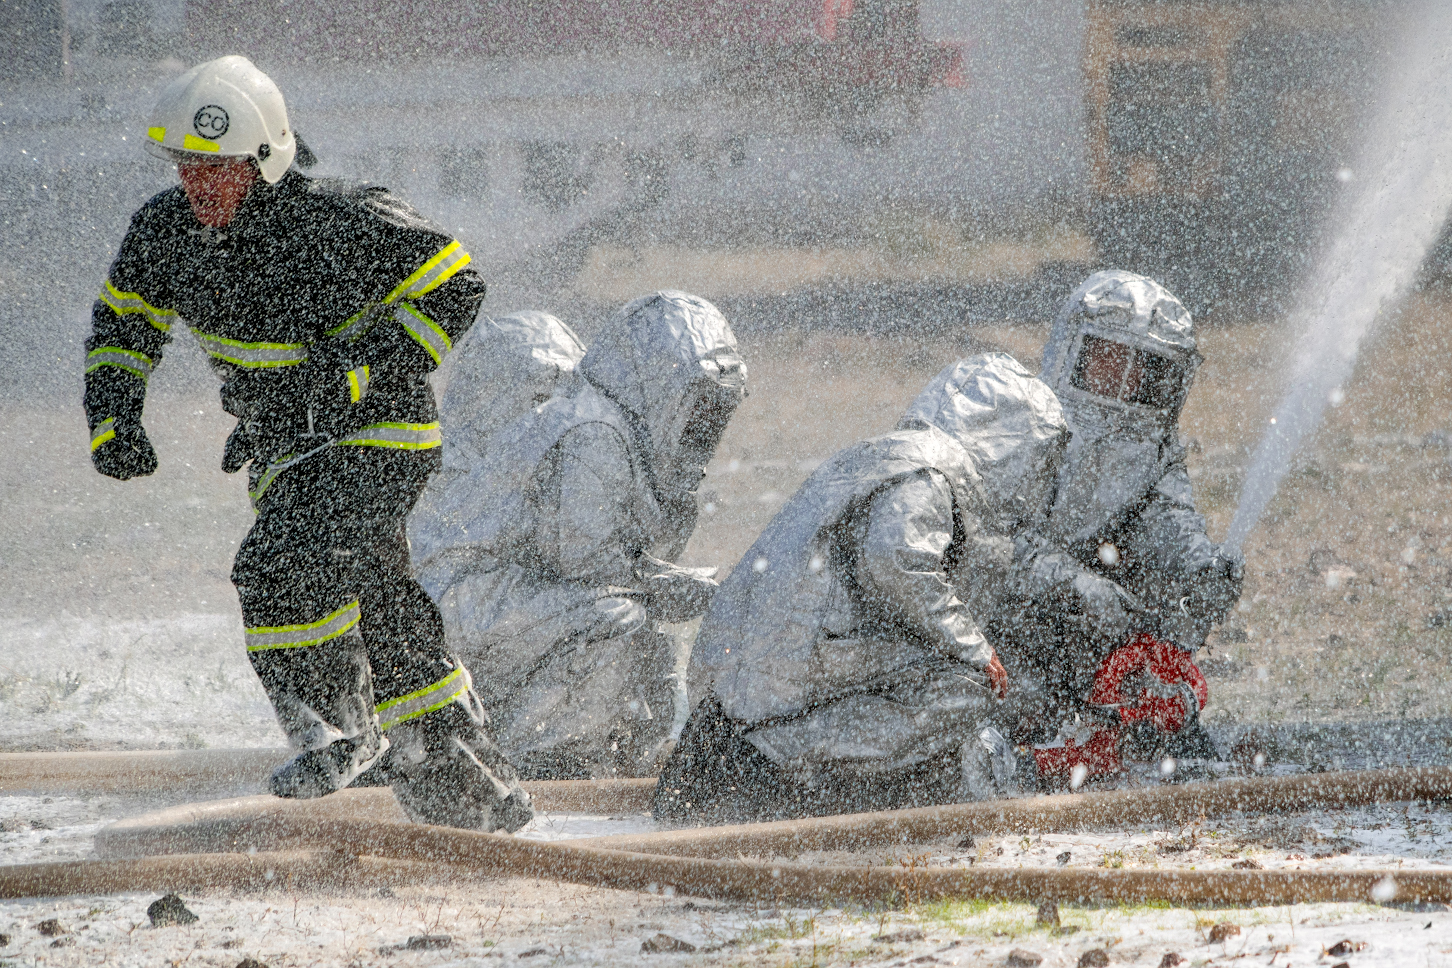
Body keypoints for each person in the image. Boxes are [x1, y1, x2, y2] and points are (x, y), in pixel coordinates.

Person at [83, 55, 532, 832]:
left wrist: (359, 376)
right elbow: (123, 327)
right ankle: (467, 788)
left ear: (263, 159)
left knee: (279, 565)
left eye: (214, 168)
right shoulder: (164, 233)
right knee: (380, 598)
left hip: (381, 435)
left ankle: (343, 731)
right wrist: (115, 419)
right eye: (185, 166)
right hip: (289, 450)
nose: (196, 186)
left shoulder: (340, 220)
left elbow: (457, 282)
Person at [654, 354, 1069, 823]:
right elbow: (896, 558)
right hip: (791, 677)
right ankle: (784, 774)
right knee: (967, 687)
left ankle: (736, 755)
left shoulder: (884, 453)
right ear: (1010, 443)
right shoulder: (931, 469)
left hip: (739, 672)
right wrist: (976, 649)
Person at [408, 291, 747, 779]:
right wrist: (670, 588)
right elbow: (586, 567)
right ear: (663, 383)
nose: (704, 428)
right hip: (458, 598)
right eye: (700, 410)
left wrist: (662, 582)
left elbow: (593, 561)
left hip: (464, 597)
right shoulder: (595, 432)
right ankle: (521, 755)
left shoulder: (602, 425)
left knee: (633, 629)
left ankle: (615, 743)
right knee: (616, 618)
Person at [995, 270, 1243, 780]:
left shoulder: (1154, 445)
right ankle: (1030, 738)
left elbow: (1169, 516)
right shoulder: (1025, 424)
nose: (1126, 381)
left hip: (1096, 618)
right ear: (1072, 350)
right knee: (1011, 711)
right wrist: (1077, 585)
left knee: (1158, 601)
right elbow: (995, 541)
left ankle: (1130, 718)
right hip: (1008, 617)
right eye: (1110, 359)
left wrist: (1203, 568)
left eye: (1146, 368)